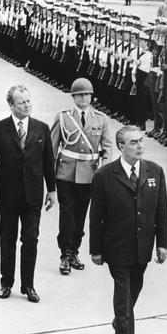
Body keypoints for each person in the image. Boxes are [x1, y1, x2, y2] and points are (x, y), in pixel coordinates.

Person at [90, 125, 167, 334]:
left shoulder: (155, 171)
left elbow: (161, 211)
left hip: (143, 246)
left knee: (135, 287)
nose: (139, 146)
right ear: (121, 146)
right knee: (123, 293)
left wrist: (163, 244)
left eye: (141, 141)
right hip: (117, 247)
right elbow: (96, 215)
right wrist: (96, 248)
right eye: (133, 142)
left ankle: (120, 319)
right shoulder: (104, 175)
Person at [0, 85, 56, 303]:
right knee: (7, 239)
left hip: (33, 195)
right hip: (8, 195)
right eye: (22, 102)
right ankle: (6, 283)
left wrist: (51, 190)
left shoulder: (41, 128)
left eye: (29, 101)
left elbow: (47, 162)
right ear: (11, 105)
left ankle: (28, 285)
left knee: (31, 239)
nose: (27, 106)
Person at [50, 78, 113, 275]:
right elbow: (52, 148)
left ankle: (75, 250)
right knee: (67, 213)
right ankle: (65, 254)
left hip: (89, 174)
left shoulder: (101, 119)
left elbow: (108, 146)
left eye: (87, 95)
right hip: (65, 173)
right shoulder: (63, 118)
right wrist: (49, 178)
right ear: (74, 97)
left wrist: (105, 165)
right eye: (80, 95)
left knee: (81, 214)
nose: (84, 98)